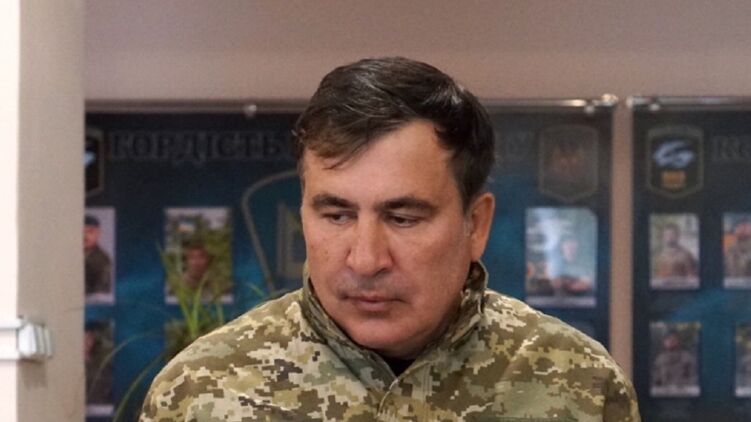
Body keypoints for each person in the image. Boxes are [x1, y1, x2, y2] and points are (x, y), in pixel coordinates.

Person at [140, 57, 639, 421]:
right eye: (336, 215)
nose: (365, 259)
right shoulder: (199, 391)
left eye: (403, 218)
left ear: (476, 224)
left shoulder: (580, 384)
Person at [651, 222, 698, 287]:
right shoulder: (659, 256)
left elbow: (692, 279)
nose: (669, 237)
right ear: (663, 237)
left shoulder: (686, 255)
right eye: (666, 235)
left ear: (677, 236)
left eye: (672, 234)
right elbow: (656, 278)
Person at [84, 215, 112, 298]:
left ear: (98, 233)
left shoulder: (103, 259)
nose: (85, 236)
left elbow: (101, 291)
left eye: (90, 232)